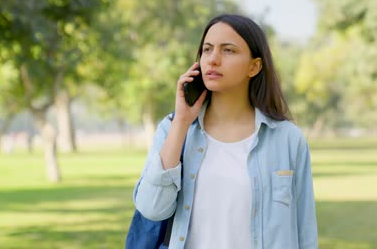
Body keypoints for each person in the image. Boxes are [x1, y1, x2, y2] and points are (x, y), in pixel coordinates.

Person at [133, 14, 318, 249]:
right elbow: (152, 208)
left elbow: (305, 231)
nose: (213, 60)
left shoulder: (288, 139)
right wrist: (181, 121)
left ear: (254, 66)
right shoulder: (172, 129)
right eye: (207, 50)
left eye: (228, 50)